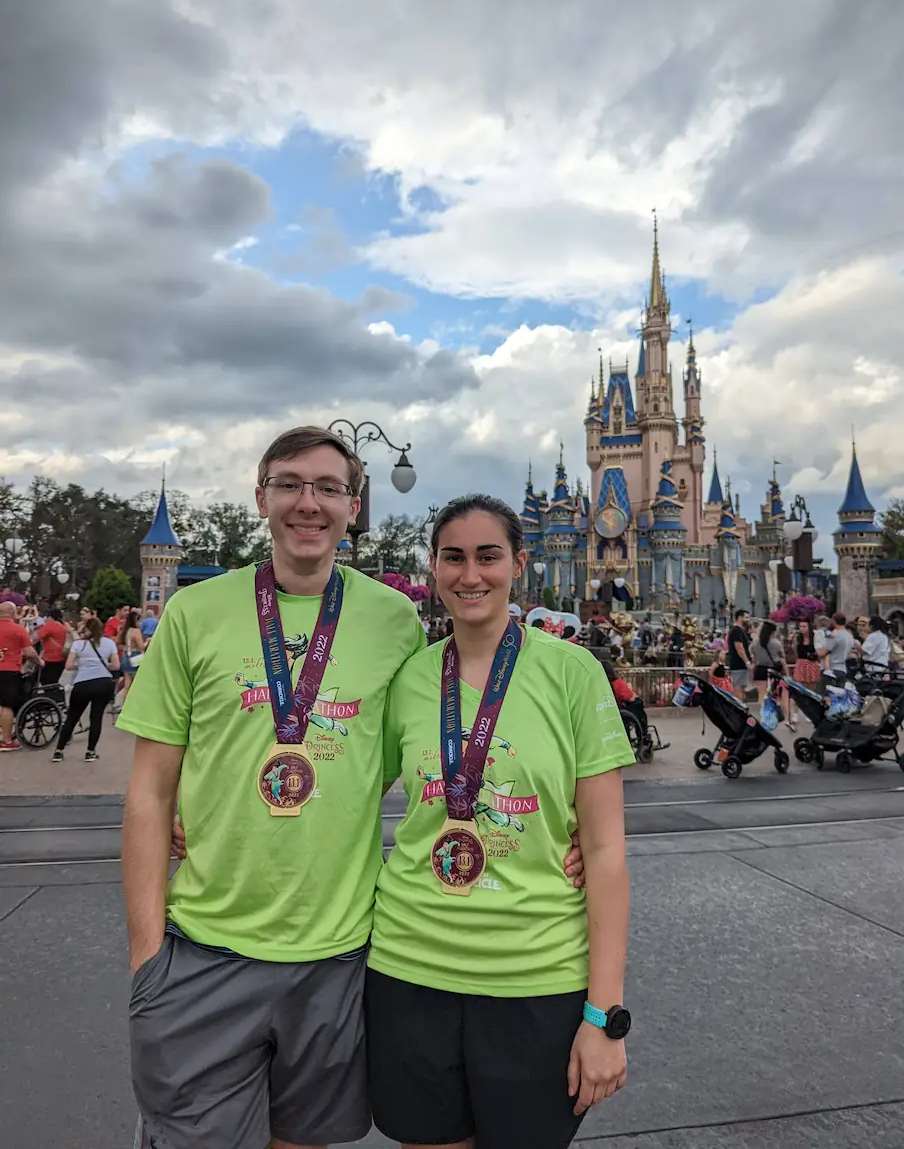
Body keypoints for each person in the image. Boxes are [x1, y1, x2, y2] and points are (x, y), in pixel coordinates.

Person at [119, 426, 586, 1149]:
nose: (309, 503)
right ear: (261, 499)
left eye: (328, 488)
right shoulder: (194, 613)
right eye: (290, 485)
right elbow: (149, 792)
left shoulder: (393, 620)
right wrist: (148, 959)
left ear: (353, 506)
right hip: (204, 951)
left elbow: (429, 758)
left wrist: (560, 832)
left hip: (339, 958)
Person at [366, 495, 634, 1149]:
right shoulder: (409, 679)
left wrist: (604, 1016)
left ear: (519, 563)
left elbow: (604, 852)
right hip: (409, 967)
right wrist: (195, 812)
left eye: (488, 556)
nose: (471, 575)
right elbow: (343, 799)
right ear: (433, 569)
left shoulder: (573, 674)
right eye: (453, 558)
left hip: (537, 977)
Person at [52, 616, 119, 763]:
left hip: (83, 683)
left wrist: (81, 666)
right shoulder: (109, 643)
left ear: (86, 628)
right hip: (103, 682)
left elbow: (68, 665)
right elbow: (116, 666)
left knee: (72, 717)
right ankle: (90, 751)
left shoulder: (78, 644)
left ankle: (59, 751)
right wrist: (103, 666)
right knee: (96, 718)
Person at [0, 601, 42, 750]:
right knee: (6, 705)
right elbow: (30, 652)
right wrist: (39, 661)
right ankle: (6, 740)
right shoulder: (18, 630)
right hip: (8, 670)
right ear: (12, 613)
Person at [117, 610, 147, 703]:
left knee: (127, 685)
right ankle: (133, 703)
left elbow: (118, 642)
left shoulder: (126, 630)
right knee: (136, 684)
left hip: (126, 656)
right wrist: (148, 641)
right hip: (135, 657)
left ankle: (124, 704)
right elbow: (142, 646)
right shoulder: (136, 631)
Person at [34, 606, 68, 687]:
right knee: (53, 682)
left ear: (50, 617)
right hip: (61, 658)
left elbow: (35, 639)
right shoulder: (62, 625)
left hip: (50, 659)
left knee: (44, 681)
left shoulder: (49, 626)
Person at [822, 612, 855, 688]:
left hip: (831, 669)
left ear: (833, 621)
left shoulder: (835, 635)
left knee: (829, 696)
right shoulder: (849, 636)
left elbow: (823, 652)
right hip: (843, 669)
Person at [726, 610, 753, 697]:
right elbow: (739, 648)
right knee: (738, 687)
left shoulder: (742, 631)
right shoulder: (736, 631)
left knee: (742, 687)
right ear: (739, 618)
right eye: (746, 617)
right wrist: (747, 661)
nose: (748, 620)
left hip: (742, 665)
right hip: (738, 664)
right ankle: (738, 706)